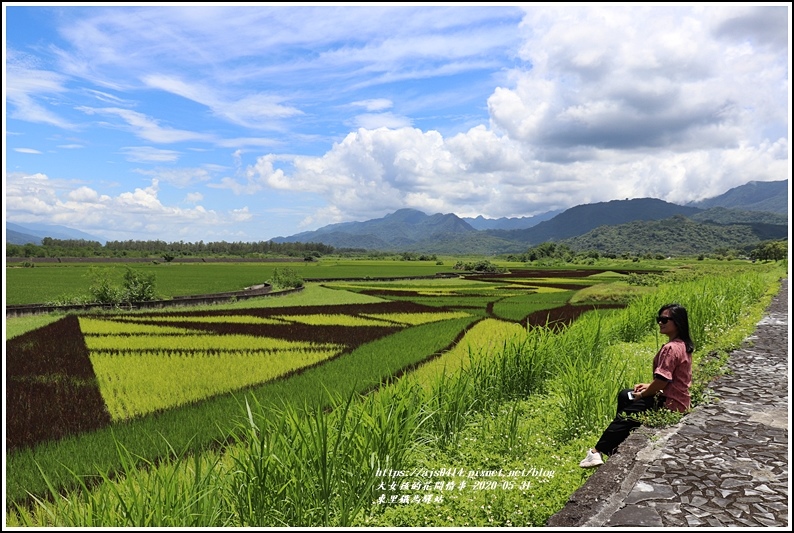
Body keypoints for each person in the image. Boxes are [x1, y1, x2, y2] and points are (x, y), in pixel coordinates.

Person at [579, 302, 694, 468]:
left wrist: (644, 393)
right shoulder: (682, 345)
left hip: (668, 402)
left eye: (664, 320)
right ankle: (616, 446)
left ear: (678, 322)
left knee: (628, 413)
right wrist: (648, 386)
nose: (660, 323)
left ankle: (597, 451)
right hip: (678, 399)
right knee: (625, 394)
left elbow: (662, 381)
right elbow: (672, 379)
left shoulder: (671, 348)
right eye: (659, 319)